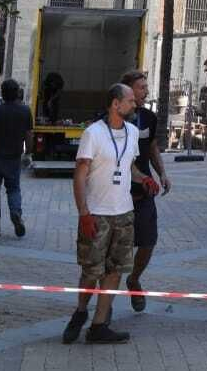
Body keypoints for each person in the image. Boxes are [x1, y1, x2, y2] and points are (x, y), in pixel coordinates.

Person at [63, 83, 151, 345]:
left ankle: (99, 325)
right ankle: (80, 312)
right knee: (91, 272)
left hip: (124, 214)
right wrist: (83, 212)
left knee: (115, 270)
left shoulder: (133, 132)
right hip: (97, 214)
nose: (136, 105)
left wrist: (144, 178)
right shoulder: (94, 134)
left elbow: (128, 166)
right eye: (131, 101)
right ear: (115, 104)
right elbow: (79, 175)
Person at [121, 69, 170, 312]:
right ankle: (104, 302)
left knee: (148, 242)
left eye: (145, 86)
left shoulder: (149, 118)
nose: (146, 91)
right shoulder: (112, 118)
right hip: (118, 194)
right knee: (117, 248)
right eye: (141, 87)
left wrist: (161, 173)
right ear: (128, 90)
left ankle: (134, 279)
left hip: (144, 192)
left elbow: (151, 148)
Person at [0, 78, 32, 238]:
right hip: (14, 158)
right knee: (14, 189)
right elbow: (29, 135)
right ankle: (16, 213)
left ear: (2, 93)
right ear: (18, 93)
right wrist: (28, 152)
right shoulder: (25, 111)